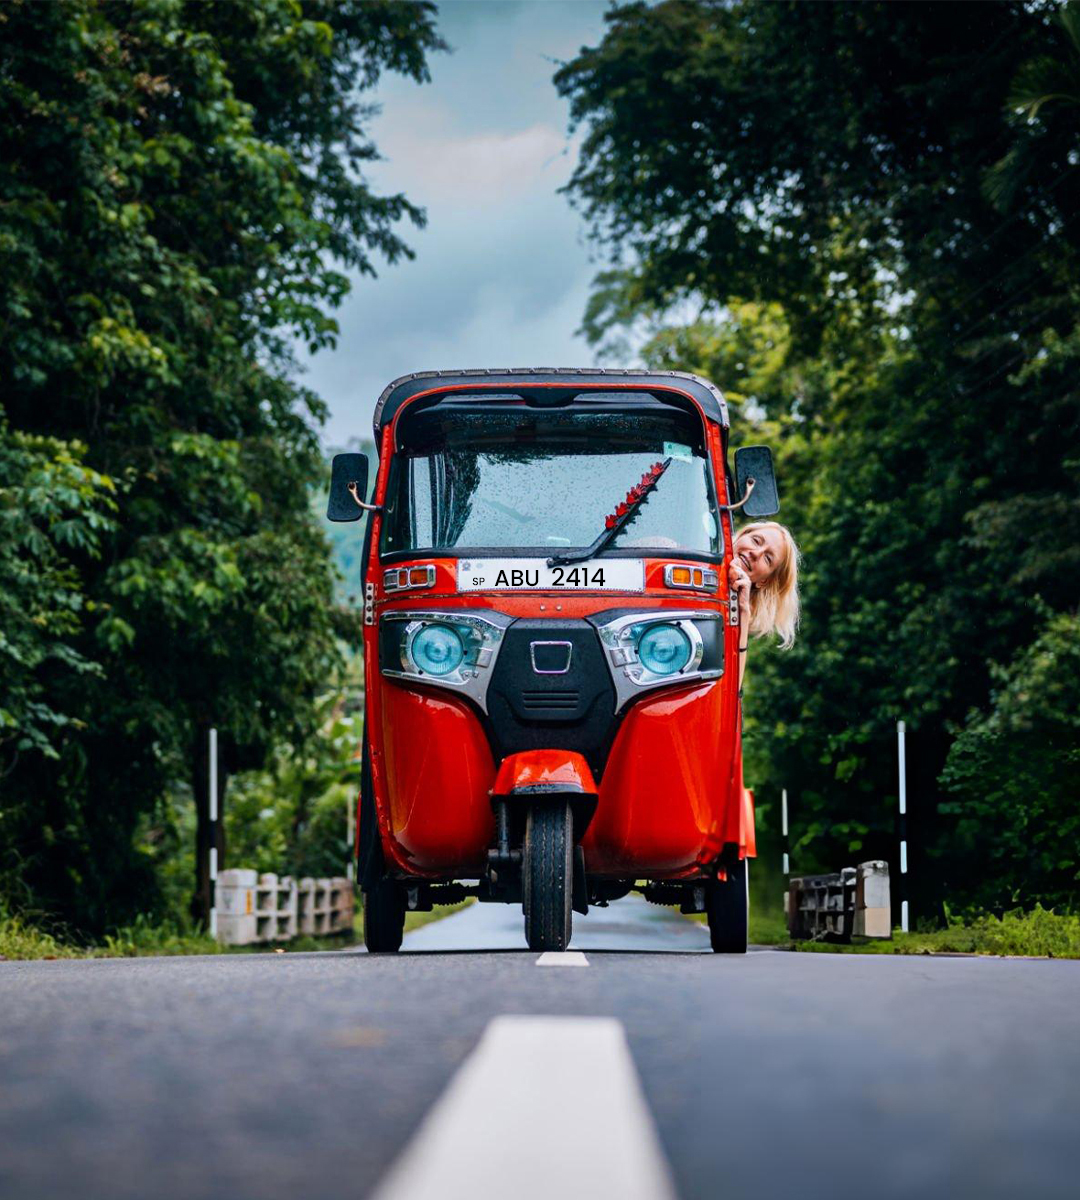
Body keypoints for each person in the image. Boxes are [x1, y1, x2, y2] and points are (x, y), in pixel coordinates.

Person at [727, 520, 801, 692]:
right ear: (741, 536)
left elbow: (732, 692)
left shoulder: (736, 615)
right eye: (756, 541)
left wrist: (743, 610)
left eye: (767, 558)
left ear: (763, 581)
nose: (756, 553)